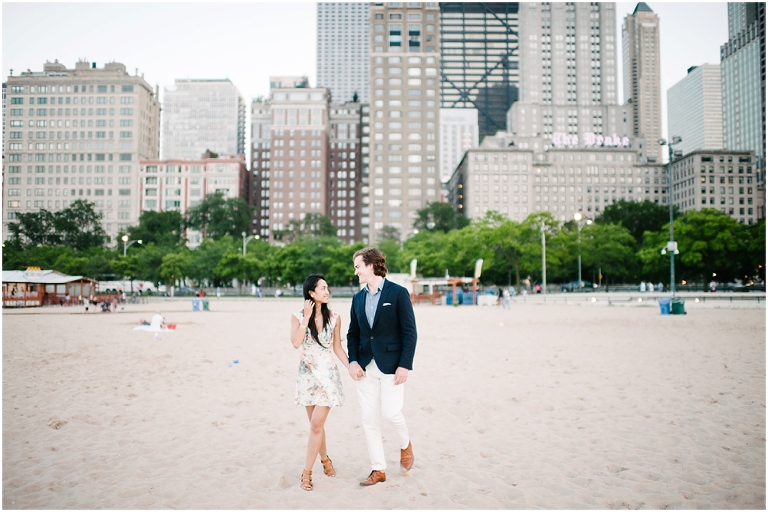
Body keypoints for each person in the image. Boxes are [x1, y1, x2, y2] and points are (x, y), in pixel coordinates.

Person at [347, 248, 416, 487]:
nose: (355, 271)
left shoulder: (398, 293)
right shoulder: (357, 298)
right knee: (369, 419)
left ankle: (405, 445)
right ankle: (378, 469)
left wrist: (405, 365)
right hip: (365, 367)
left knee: (391, 413)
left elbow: (410, 332)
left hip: (392, 366)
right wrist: (352, 361)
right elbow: (352, 334)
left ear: (372, 265)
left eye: (358, 266)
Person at [290, 274, 348, 492]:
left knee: (316, 425)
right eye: (322, 288)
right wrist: (306, 318)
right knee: (316, 426)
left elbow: (337, 348)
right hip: (307, 377)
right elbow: (296, 343)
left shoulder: (335, 317)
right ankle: (325, 459)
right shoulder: (297, 316)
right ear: (311, 293)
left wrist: (352, 366)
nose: (327, 291)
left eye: (327, 287)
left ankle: (306, 473)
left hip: (328, 377)